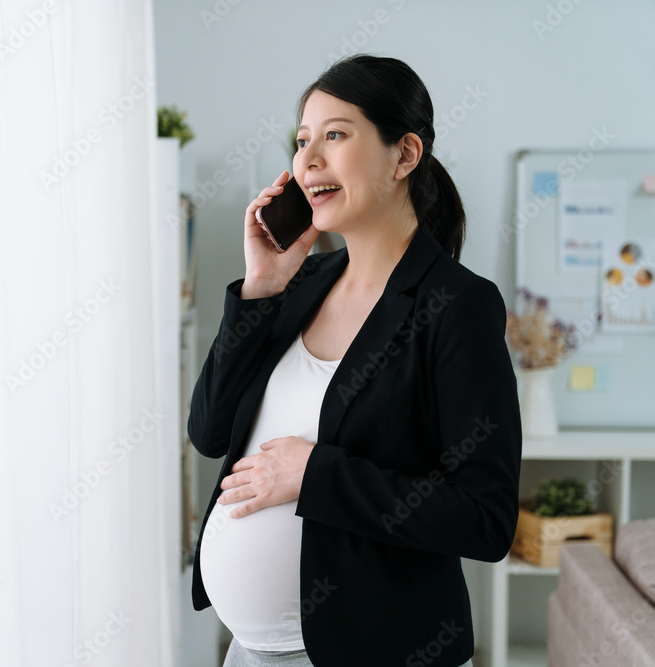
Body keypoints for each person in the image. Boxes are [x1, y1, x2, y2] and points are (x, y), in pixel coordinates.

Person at [187, 54, 521, 667]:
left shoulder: (457, 305)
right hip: (249, 654)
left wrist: (316, 475)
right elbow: (208, 433)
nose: (308, 160)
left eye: (335, 135)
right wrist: (258, 290)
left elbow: (485, 518)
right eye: (302, 140)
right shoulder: (300, 284)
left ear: (404, 155)